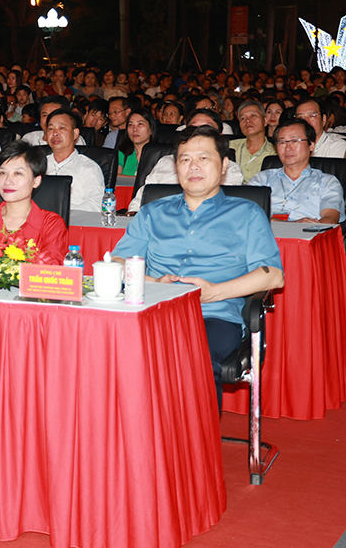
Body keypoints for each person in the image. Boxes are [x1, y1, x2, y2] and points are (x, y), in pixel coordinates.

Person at [112, 126, 284, 411]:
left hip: (213, 315)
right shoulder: (152, 212)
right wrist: (153, 282)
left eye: (203, 158)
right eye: (185, 159)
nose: (193, 166)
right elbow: (117, 263)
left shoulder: (247, 213)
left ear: (224, 165)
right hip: (151, 311)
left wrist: (214, 292)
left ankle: (194, 438)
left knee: (193, 356)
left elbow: (274, 275)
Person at [0, 140, 68, 265]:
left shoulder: (51, 225)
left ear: (36, 181)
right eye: (3, 173)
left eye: (18, 173)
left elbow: (51, 269)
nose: (7, 181)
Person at [127, 109, 244, 213]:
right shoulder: (166, 161)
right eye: (193, 128)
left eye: (206, 129)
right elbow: (143, 196)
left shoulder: (230, 168)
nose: (199, 133)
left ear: (220, 135)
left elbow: (226, 207)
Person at [248, 119, 344, 223]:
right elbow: (246, 214)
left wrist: (311, 227)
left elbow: (330, 219)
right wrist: (291, 225)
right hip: (265, 232)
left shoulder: (327, 182)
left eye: (294, 141)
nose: (288, 148)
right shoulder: (261, 180)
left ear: (311, 145)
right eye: (282, 142)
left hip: (308, 232)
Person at [43, 108, 107, 213]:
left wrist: (63, 214)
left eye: (62, 128)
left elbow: (96, 203)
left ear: (75, 134)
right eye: (50, 128)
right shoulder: (37, 165)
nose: (55, 133)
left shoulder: (88, 167)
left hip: (74, 219)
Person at [229, 100, 276, 183]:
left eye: (253, 116)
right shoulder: (229, 146)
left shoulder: (275, 152)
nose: (247, 120)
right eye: (243, 118)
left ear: (265, 121)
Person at [117, 109, 155, 177]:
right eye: (130, 125)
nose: (134, 129)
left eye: (140, 124)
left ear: (151, 129)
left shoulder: (159, 155)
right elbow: (116, 179)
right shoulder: (122, 153)